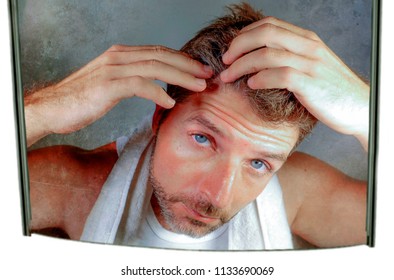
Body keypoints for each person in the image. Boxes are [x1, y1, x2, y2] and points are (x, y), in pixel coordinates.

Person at [26, 3, 369, 250]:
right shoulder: (78, 187)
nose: (217, 197)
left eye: (258, 163)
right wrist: (41, 112)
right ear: (161, 118)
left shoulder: (295, 191)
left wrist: (371, 112)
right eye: (203, 138)